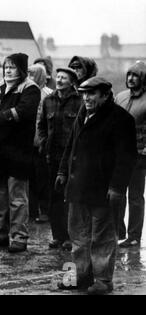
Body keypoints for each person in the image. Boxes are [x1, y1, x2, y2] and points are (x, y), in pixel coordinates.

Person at [56, 77, 137, 295]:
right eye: (84, 93)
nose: (86, 98)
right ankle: (79, 277)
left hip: (104, 191)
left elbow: (126, 158)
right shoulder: (83, 114)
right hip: (78, 187)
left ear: (105, 95)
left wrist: (117, 188)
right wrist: (63, 171)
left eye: (91, 94)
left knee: (102, 237)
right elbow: (71, 146)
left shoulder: (121, 119)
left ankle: (103, 281)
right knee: (78, 236)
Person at [0, 53, 41, 253]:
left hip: (19, 149)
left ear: (21, 69)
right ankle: (0, 233)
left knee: (17, 196)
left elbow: (23, 113)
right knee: (0, 195)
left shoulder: (30, 88)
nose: (7, 70)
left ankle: (19, 237)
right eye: (6, 66)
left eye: (12, 67)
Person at [37, 67, 80, 251]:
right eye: (58, 77)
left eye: (64, 78)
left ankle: (71, 237)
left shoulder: (79, 101)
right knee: (54, 197)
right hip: (52, 156)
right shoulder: (49, 100)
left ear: (72, 82)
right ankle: (57, 236)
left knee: (69, 198)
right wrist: (44, 142)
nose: (60, 80)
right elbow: (42, 126)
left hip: (72, 158)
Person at [115, 61, 146, 247]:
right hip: (119, 154)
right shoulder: (120, 96)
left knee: (135, 197)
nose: (131, 78)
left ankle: (134, 236)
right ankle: (119, 231)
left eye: (135, 75)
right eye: (129, 75)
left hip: (139, 154)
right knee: (116, 194)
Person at [27, 64, 53, 223]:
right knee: (29, 178)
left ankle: (44, 210)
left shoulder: (49, 95)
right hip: (27, 142)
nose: (30, 77)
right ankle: (31, 209)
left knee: (43, 179)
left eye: (32, 74)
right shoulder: (25, 93)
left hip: (42, 143)